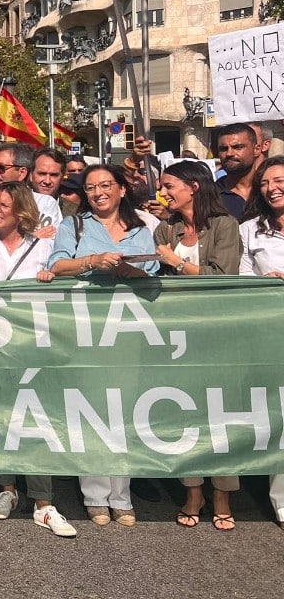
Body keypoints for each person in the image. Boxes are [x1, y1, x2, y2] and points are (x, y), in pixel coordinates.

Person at [0, 182, 74, 537]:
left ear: (21, 210)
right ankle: (6, 488)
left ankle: (43, 502)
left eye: (4, 204)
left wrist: (49, 278)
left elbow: (62, 288)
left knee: (37, 416)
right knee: (1, 416)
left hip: (34, 345)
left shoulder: (44, 245)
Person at [48, 164, 158, 527]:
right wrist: (92, 261)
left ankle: (121, 495)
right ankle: (95, 495)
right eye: (91, 187)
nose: (98, 192)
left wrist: (135, 271)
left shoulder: (143, 229)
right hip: (86, 328)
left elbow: (155, 274)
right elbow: (57, 264)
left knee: (125, 412)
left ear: (122, 189)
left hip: (129, 330)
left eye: (105, 185)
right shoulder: (74, 225)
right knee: (90, 409)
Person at [152, 159, 242, 531]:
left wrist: (176, 263)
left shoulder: (224, 225)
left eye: (170, 185)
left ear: (194, 186)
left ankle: (222, 494)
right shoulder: (164, 228)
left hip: (217, 337)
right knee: (185, 416)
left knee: (222, 418)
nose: (164, 193)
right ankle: (193, 491)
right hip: (176, 338)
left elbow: (224, 276)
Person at [238, 155, 284, 527]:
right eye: (266, 183)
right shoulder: (250, 230)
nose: (272, 189)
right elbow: (241, 281)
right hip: (273, 334)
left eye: (279, 180)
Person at [0, 143, 62, 243]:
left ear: (22, 172)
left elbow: (51, 245)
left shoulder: (46, 204)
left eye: (1, 168)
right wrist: (33, 237)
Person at [214, 123, 262, 218]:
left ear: (256, 149)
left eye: (237, 147)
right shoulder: (209, 195)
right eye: (223, 149)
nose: (229, 153)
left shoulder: (272, 189)